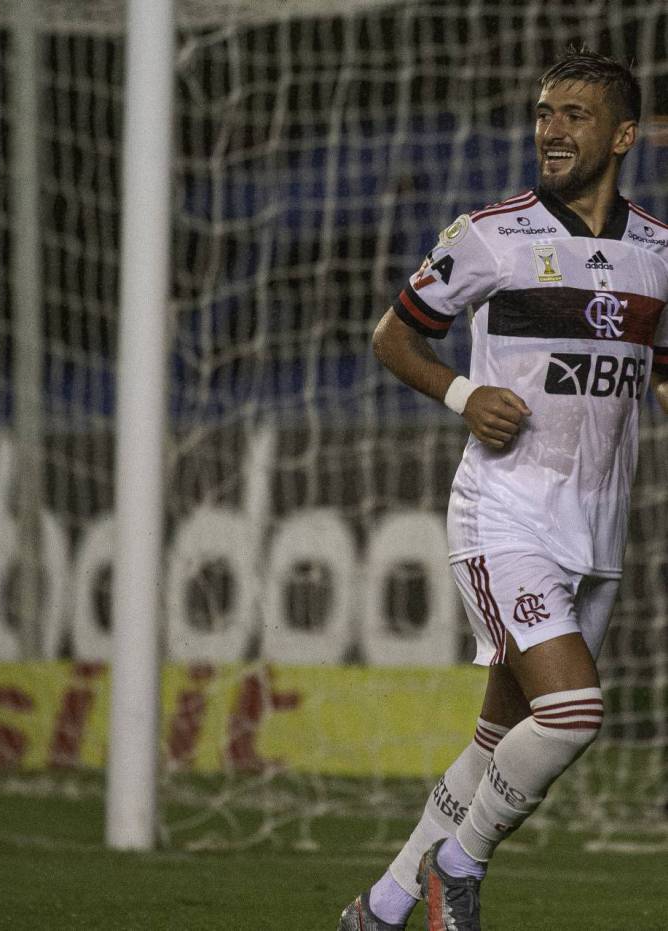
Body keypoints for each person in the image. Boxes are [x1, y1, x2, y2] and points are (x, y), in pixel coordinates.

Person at [337, 47, 668, 931]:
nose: (551, 131)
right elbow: (393, 336)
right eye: (543, 114)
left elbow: (660, 371)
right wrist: (460, 392)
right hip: (505, 513)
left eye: (574, 116)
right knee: (573, 710)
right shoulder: (492, 234)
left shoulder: (658, 254)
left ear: (624, 135)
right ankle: (459, 865)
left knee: (497, 739)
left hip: (596, 530)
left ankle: (382, 906)